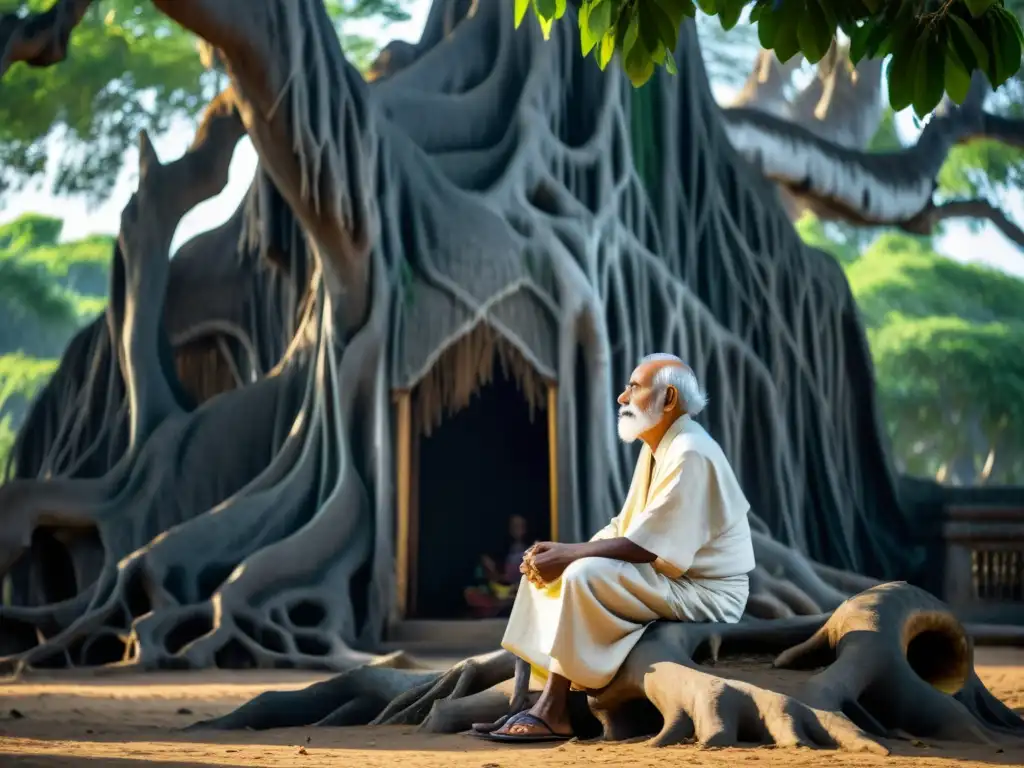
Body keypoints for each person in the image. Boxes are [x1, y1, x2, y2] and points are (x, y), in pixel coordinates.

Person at [481, 353, 755, 742]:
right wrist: (557, 552)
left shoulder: (689, 451)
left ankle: (555, 710)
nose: (621, 398)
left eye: (634, 387)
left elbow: (645, 547)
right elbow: (625, 526)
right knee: (544, 571)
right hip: (668, 577)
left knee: (581, 573)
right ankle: (528, 701)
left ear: (669, 398)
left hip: (708, 592)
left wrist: (570, 556)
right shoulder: (658, 448)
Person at [464, 514, 530, 618]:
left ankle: (503, 606)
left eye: (521, 526)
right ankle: (499, 606)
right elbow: (496, 579)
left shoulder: (531, 549)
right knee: (471, 593)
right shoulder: (501, 549)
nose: (518, 530)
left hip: (520, 590)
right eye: (515, 526)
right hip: (501, 592)